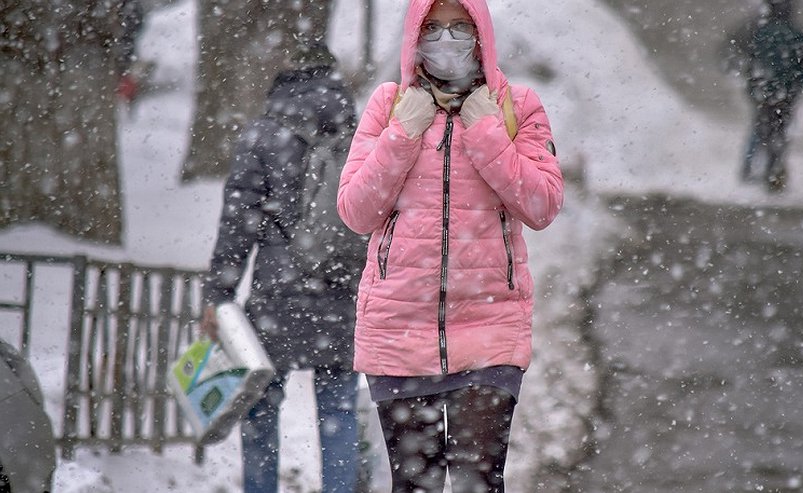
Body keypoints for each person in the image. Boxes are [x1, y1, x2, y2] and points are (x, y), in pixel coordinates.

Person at [336, 1, 564, 491]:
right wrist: (402, 134)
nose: (447, 40)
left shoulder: (516, 107)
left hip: (488, 329)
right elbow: (356, 210)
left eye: (460, 27)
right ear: (413, 36)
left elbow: (542, 205)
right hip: (399, 329)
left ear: (481, 33)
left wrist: (485, 131)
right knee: (414, 484)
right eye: (433, 28)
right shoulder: (390, 105)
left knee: (477, 482)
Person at [200, 43, 365, 493]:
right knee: (339, 412)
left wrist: (218, 296)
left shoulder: (262, 135)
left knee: (259, 410)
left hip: (275, 298)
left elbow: (238, 224)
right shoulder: (359, 135)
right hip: (342, 294)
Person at [728, 0, 803, 192]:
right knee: (780, 134)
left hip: (764, 94)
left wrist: (753, 90)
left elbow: (750, 63)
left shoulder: (761, 34)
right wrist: (796, 90)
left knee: (761, 131)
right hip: (786, 95)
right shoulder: (797, 35)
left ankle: (753, 169)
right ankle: (774, 173)